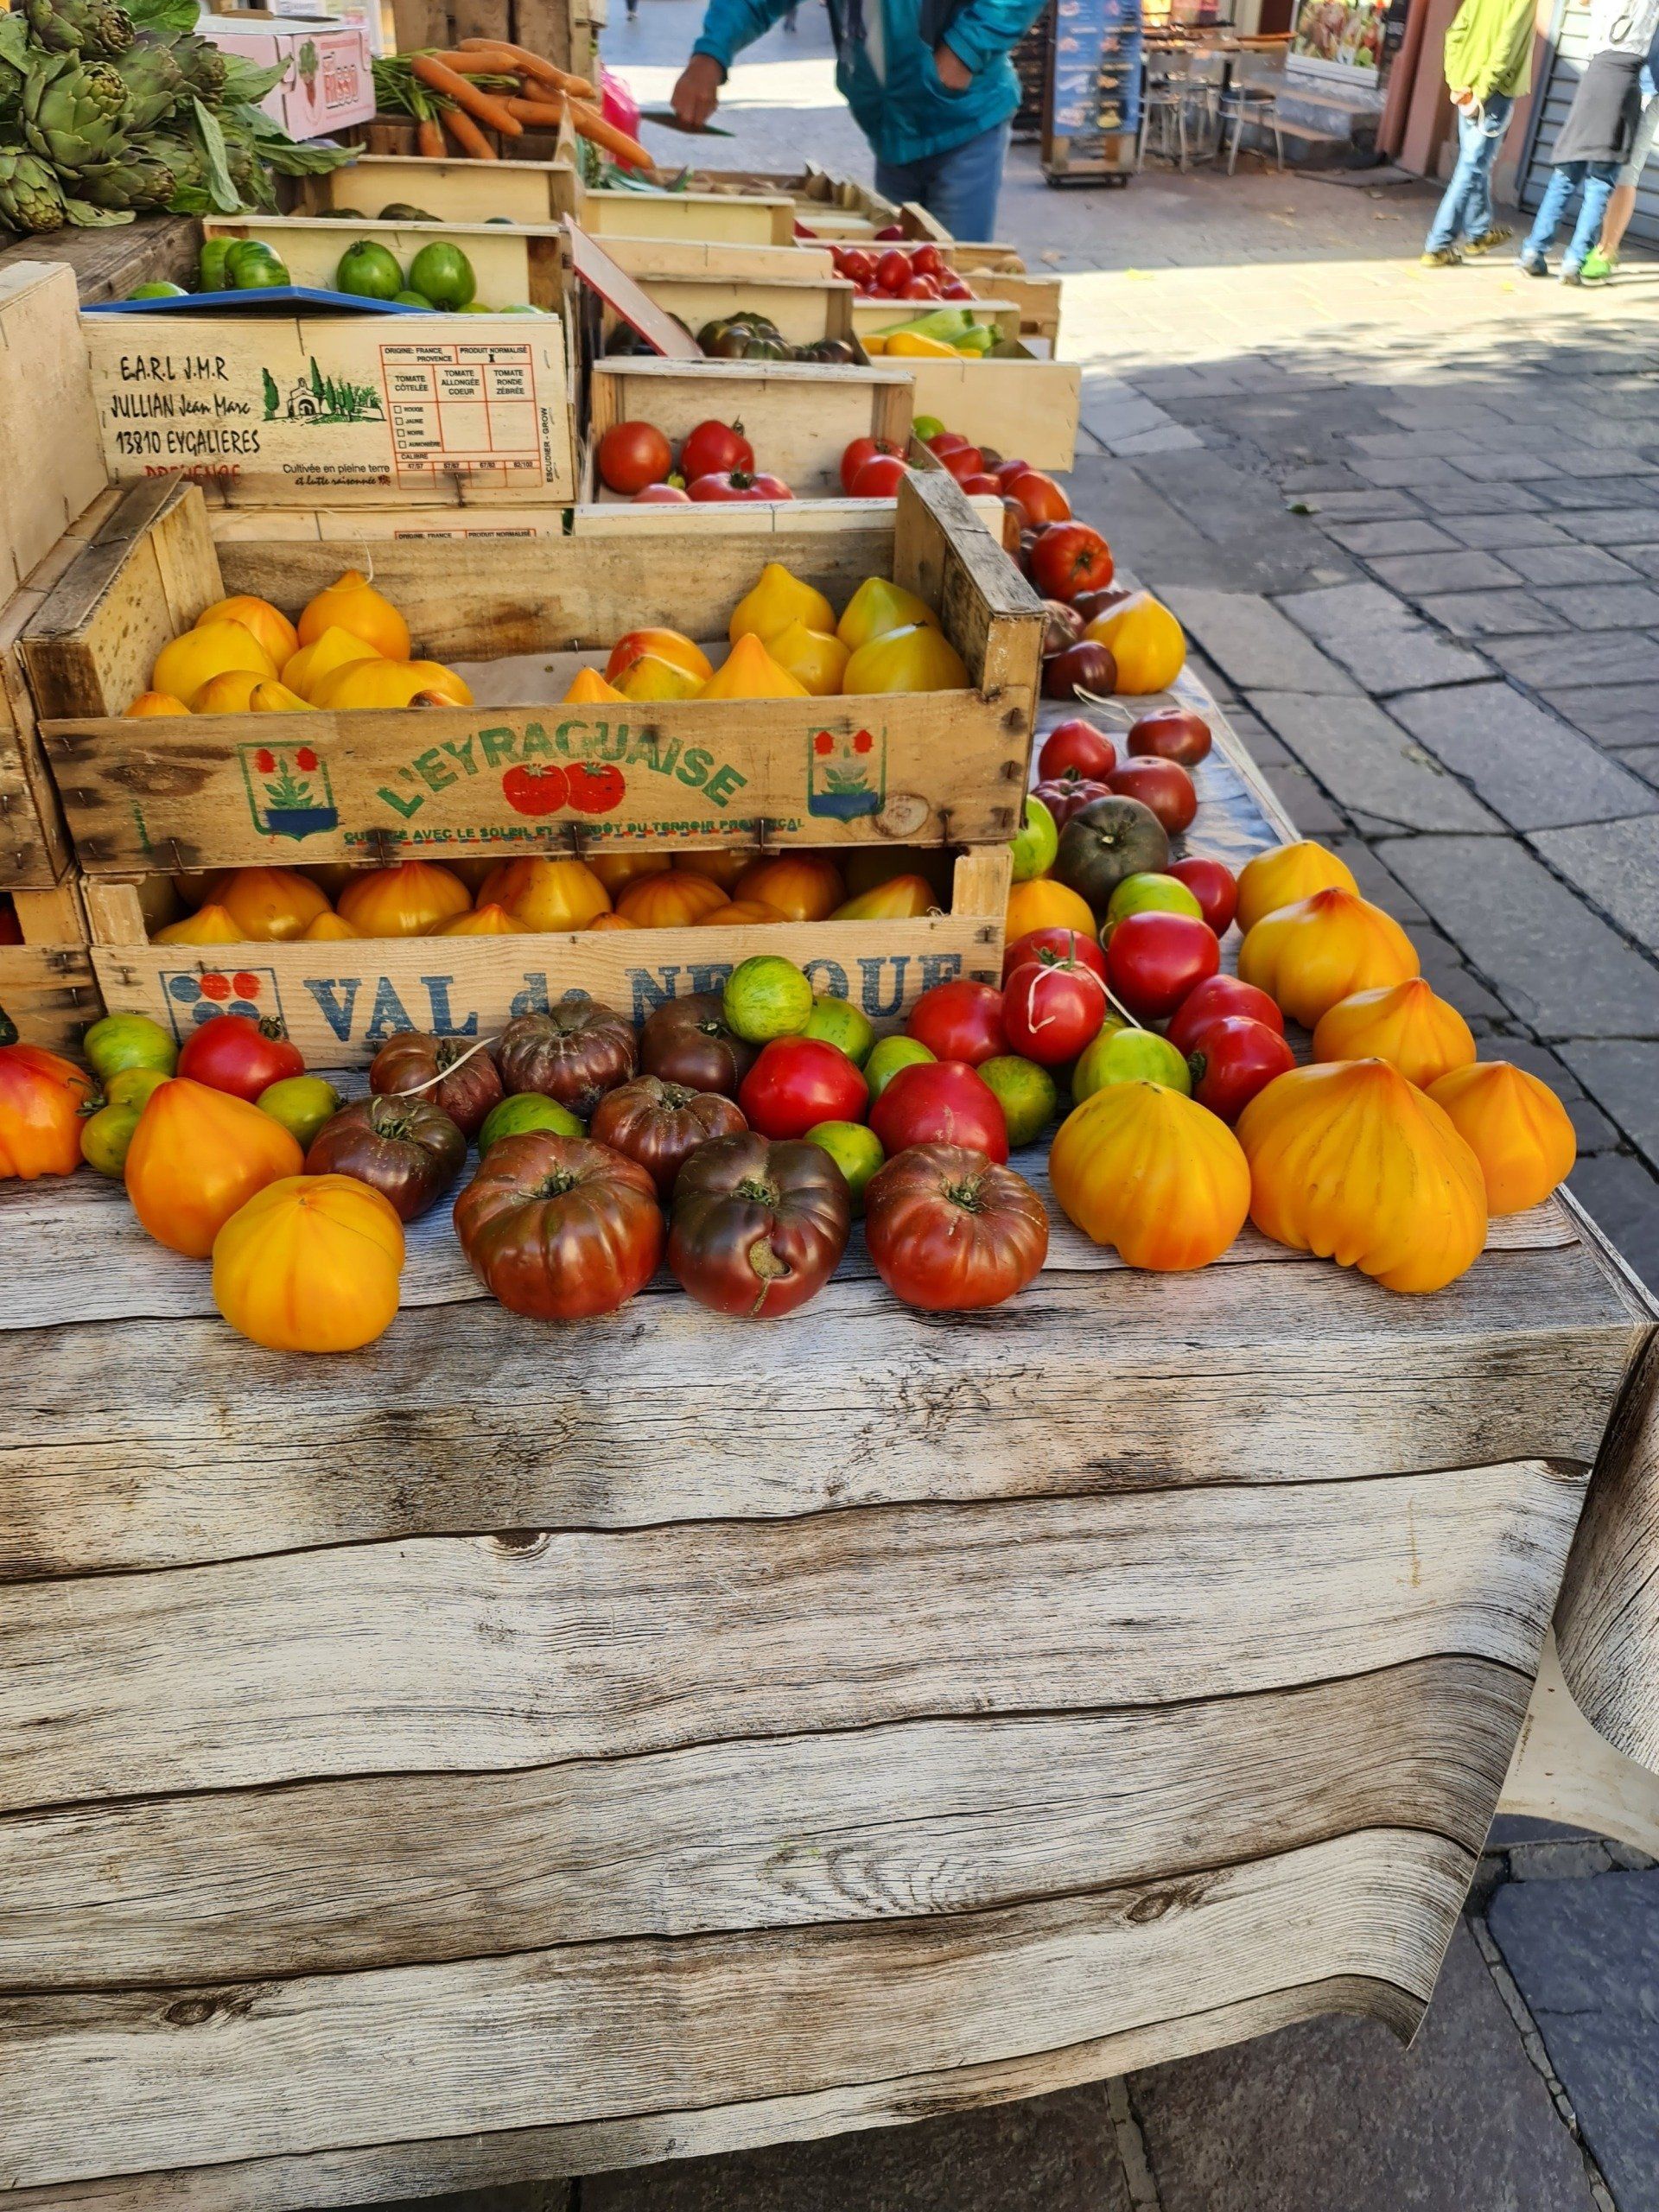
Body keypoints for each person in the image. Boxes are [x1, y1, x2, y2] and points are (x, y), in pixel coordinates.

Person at [671, 0, 1044, 240]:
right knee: (901, 278)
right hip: (891, 130)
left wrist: (967, 49)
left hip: (965, 119)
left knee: (955, 279)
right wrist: (711, 53)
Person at [1518, 0, 1659, 282]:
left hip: (1594, 75)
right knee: (1600, 182)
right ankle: (1574, 260)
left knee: (1565, 173)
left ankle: (1534, 250)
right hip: (1625, 79)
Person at [1420, 0, 1537, 267]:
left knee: (1474, 161)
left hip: (1469, 83)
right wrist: (1481, 91)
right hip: (1491, 92)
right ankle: (1439, 244)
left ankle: (1478, 233)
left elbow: (1456, 33)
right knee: (1472, 166)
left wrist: (1457, 80)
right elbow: (1507, 45)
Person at [1581, 47, 1659, 276]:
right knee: (1604, 159)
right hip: (1619, 79)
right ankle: (1594, 243)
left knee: (1626, 169)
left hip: (1651, 90)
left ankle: (1607, 250)